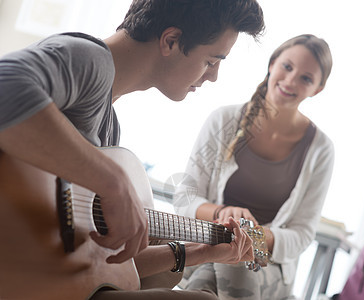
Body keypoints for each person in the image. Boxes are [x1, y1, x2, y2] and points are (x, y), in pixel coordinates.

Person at [0, 0, 265, 299]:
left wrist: (203, 251)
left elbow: (104, 264)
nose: (213, 76)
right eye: (211, 61)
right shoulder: (90, 58)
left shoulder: (108, 130)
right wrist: (113, 183)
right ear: (171, 40)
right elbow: (5, 86)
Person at [175, 34, 334, 300]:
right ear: (272, 64)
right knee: (214, 271)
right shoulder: (223, 120)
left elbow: (302, 234)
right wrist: (224, 213)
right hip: (211, 245)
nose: (291, 80)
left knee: (231, 263)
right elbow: (184, 198)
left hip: (268, 263)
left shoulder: (321, 150)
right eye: (287, 67)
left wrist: (252, 237)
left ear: (317, 89)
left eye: (306, 78)